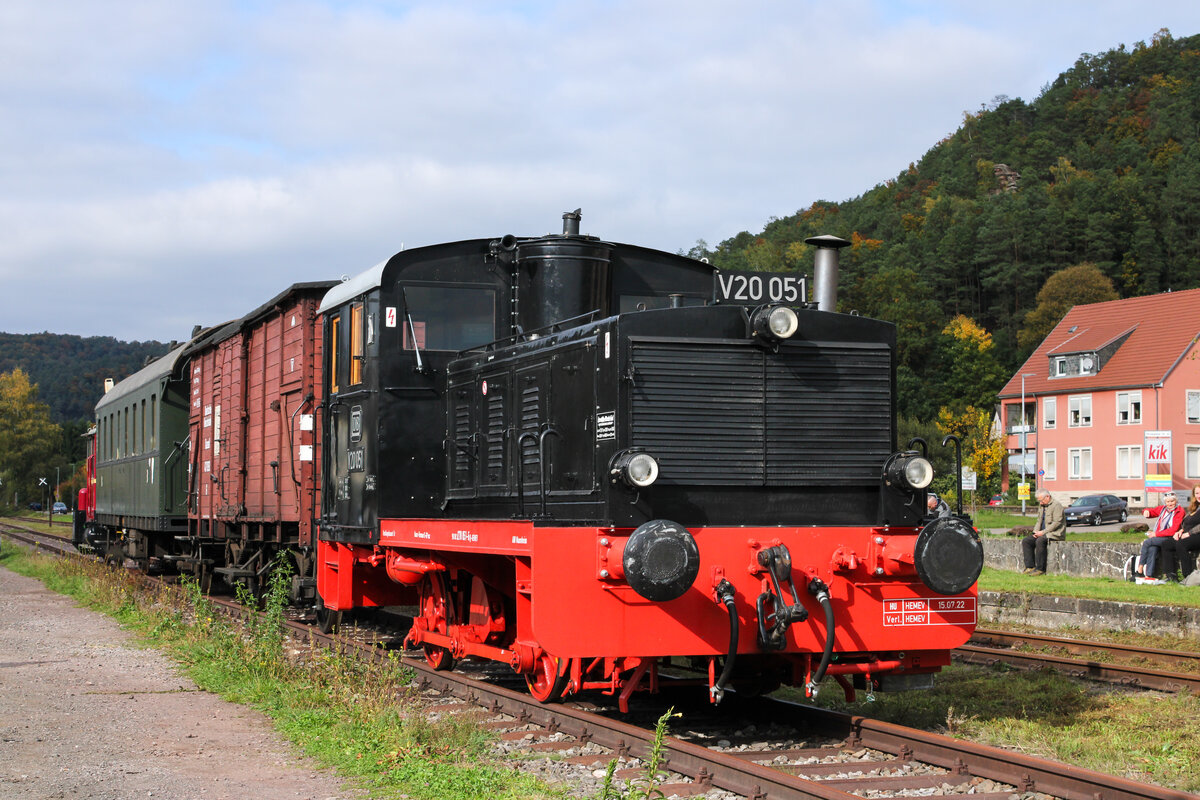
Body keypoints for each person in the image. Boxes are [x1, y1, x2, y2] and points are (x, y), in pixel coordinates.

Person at [1138, 491, 1184, 583]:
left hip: (1170, 538)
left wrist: (1156, 534)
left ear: (1176, 501)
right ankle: (1149, 575)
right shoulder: (1163, 509)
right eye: (1168, 502)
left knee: (1147, 542)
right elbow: (1151, 512)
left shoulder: (1179, 511)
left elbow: (1173, 530)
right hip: (1160, 536)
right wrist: (1145, 511)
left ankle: (1140, 568)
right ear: (1165, 502)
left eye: (1172, 501)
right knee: (1152, 548)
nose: (1170, 504)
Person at [1021, 490, 1065, 575]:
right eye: (1039, 501)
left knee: (1040, 541)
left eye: (1041, 500)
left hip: (1055, 533)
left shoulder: (1057, 505)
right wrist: (1035, 532)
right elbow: (1039, 520)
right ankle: (1030, 566)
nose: (1040, 503)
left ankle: (1040, 569)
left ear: (1047, 497)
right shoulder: (1042, 506)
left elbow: (1057, 523)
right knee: (1027, 541)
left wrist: (1043, 532)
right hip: (1042, 533)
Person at [1169, 485, 1200, 580]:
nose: (1199, 495)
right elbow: (1186, 522)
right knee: (1166, 544)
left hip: (1197, 535)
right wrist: (1181, 530)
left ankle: (1188, 576)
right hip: (1188, 534)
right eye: (1197, 493)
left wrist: (1189, 533)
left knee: (1181, 544)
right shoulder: (1195, 508)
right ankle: (1171, 576)